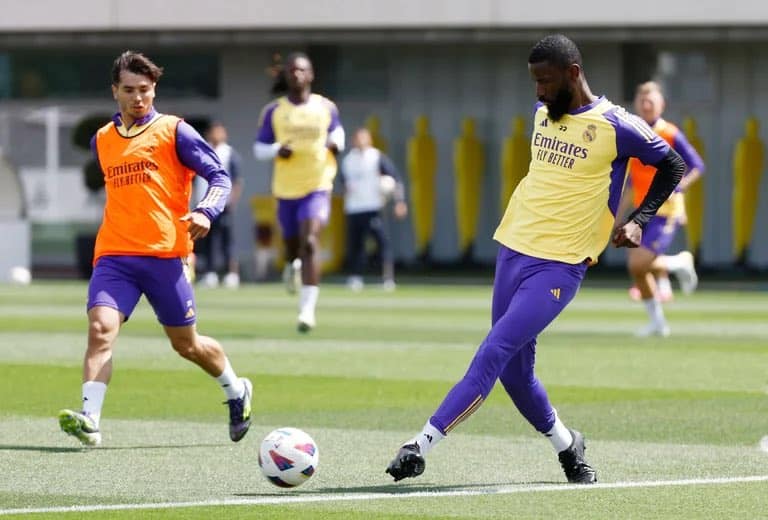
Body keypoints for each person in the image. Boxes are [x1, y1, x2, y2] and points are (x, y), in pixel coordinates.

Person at [385, 34, 685, 484]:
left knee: (495, 349)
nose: (539, 92)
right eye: (534, 83)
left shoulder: (616, 124)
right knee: (515, 375)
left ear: (574, 74)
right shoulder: (543, 113)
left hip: (560, 266)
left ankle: (421, 444)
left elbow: (673, 165)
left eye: (545, 81)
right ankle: (569, 447)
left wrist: (640, 219)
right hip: (513, 248)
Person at [57, 51, 253, 447]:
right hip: (115, 255)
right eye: (128, 90)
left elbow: (219, 176)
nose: (138, 98)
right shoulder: (103, 140)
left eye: (144, 90)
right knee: (100, 330)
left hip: (166, 257)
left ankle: (236, 389)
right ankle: (90, 420)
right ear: (115, 91)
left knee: (187, 345)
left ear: (154, 90)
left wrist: (206, 212)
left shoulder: (174, 131)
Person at [254, 52, 345, 332]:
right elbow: (259, 148)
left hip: (317, 184)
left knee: (310, 242)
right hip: (286, 189)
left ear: (311, 75)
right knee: (294, 246)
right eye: (292, 70)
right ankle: (291, 264)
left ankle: (307, 311)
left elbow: (338, 132)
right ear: (286, 75)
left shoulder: (325, 107)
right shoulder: (274, 111)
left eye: (302, 70)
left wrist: (334, 143)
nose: (296, 75)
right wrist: (275, 150)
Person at [621, 81, 704, 336]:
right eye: (642, 100)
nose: (646, 105)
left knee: (640, 261)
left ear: (661, 105)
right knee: (636, 267)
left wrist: (679, 187)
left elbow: (697, 165)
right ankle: (658, 322)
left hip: (666, 209)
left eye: (651, 101)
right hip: (642, 209)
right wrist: (619, 212)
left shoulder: (670, 133)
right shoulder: (633, 133)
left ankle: (679, 263)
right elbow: (633, 181)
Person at [340, 127, 408, 291]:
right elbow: (342, 181)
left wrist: (400, 201)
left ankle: (387, 278)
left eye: (364, 138)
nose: (361, 141)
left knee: (382, 242)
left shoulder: (376, 157)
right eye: (358, 138)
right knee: (355, 244)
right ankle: (355, 277)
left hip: (373, 206)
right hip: (354, 208)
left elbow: (395, 179)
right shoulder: (348, 160)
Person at [195, 122, 244, 289]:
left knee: (227, 240)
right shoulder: (203, 151)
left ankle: (232, 274)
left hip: (223, 205)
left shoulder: (230, 154)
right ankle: (210, 274)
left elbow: (237, 181)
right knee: (207, 240)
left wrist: (232, 201)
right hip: (205, 204)